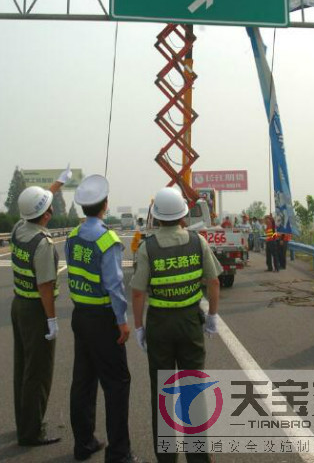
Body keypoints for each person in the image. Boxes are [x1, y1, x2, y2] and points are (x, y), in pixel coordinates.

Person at [131, 186, 223, 463]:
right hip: (189, 323)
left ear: (157, 218)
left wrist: (138, 326)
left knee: (163, 394)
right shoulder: (198, 243)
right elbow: (214, 281)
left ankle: (167, 459)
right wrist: (212, 316)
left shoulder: (148, 248)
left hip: (159, 324)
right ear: (184, 215)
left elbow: (138, 292)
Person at [66, 174, 145, 463]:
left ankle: (84, 443)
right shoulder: (106, 239)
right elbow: (114, 285)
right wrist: (122, 321)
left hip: (80, 315)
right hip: (102, 319)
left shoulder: (73, 236)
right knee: (117, 383)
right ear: (105, 205)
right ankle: (119, 453)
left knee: (83, 381)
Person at [11, 165, 71, 447]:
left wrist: (58, 182)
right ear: (46, 215)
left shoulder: (20, 228)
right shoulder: (43, 243)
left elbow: (38, 202)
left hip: (18, 305)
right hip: (36, 310)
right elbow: (45, 286)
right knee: (38, 371)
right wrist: (52, 320)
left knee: (23, 365)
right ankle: (32, 431)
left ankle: (24, 420)